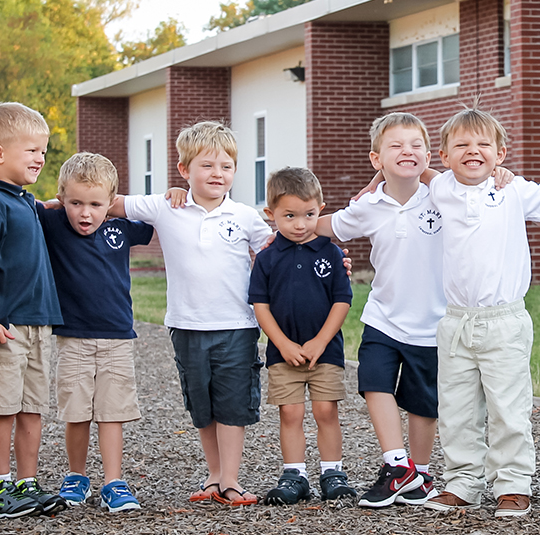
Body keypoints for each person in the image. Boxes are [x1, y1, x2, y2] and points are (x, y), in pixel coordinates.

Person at [419, 108, 540, 518]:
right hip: (456, 321)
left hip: (504, 321)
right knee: (456, 409)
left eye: (482, 145)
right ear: (443, 155)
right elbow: (407, 170)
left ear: (501, 153)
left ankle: (511, 483)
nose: (472, 151)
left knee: (508, 408)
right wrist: (372, 185)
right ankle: (463, 482)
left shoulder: (513, 190)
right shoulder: (439, 188)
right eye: (461, 145)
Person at [114, 121, 274, 507]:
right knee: (201, 406)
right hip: (186, 326)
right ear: (184, 170)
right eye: (207, 165)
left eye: (226, 166)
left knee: (233, 404)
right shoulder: (166, 206)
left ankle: (231, 481)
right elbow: (108, 201)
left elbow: (279, 253)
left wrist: (333, 261)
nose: (218, 174)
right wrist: (45, 203)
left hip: (237, 326)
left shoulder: (245, 216)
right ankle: (215, 477)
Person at [323, 113, 446, 508]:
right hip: (383, 316)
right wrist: (282, 225)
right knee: (374, 382)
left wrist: (502, 174)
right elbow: (323, 226)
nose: (406, 151)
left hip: (434, 322)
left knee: (423, 404)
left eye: (415, 145)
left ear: (429, 155)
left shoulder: (445, 195)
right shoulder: (368, 206)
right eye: (395, 145)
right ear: (376, 159)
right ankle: (397, 465)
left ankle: (421, 474)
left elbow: (476, 180)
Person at [0, 102, 68, 519]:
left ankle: (28, 484)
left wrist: (66, 202)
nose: (40, 158)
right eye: (31, 150)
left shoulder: (23, 201)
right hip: (3, 327)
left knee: (31, 410)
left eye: (43, 150)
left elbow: (42, 209)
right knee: (4, 410)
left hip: (37, 324)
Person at [36, 153, 153, 512]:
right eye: (75, 203)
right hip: (72, 337)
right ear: (62, 199)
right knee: (77, 411)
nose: (85, 213)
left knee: (111, 411)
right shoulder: (54, 222)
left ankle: (113, 482)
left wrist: (120, 206)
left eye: (95, 204)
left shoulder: (121, 227)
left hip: (117, 336)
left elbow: (152, 218)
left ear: (111, 202)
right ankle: (77, 476)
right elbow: (28, 205)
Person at [249, 167, 357, 505]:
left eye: (309, 215)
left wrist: (320, 341)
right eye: (290, 216)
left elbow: (343, 300)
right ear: (271, 214)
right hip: (284, 353)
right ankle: (294, 474)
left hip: (325, 351)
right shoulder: (266, 258)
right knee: (291, 414)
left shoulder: (331, 253)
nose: (300, 224)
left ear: (320, 208)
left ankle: (332, 472)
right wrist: (281, 344)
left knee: (326, 411)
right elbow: (260, 305)